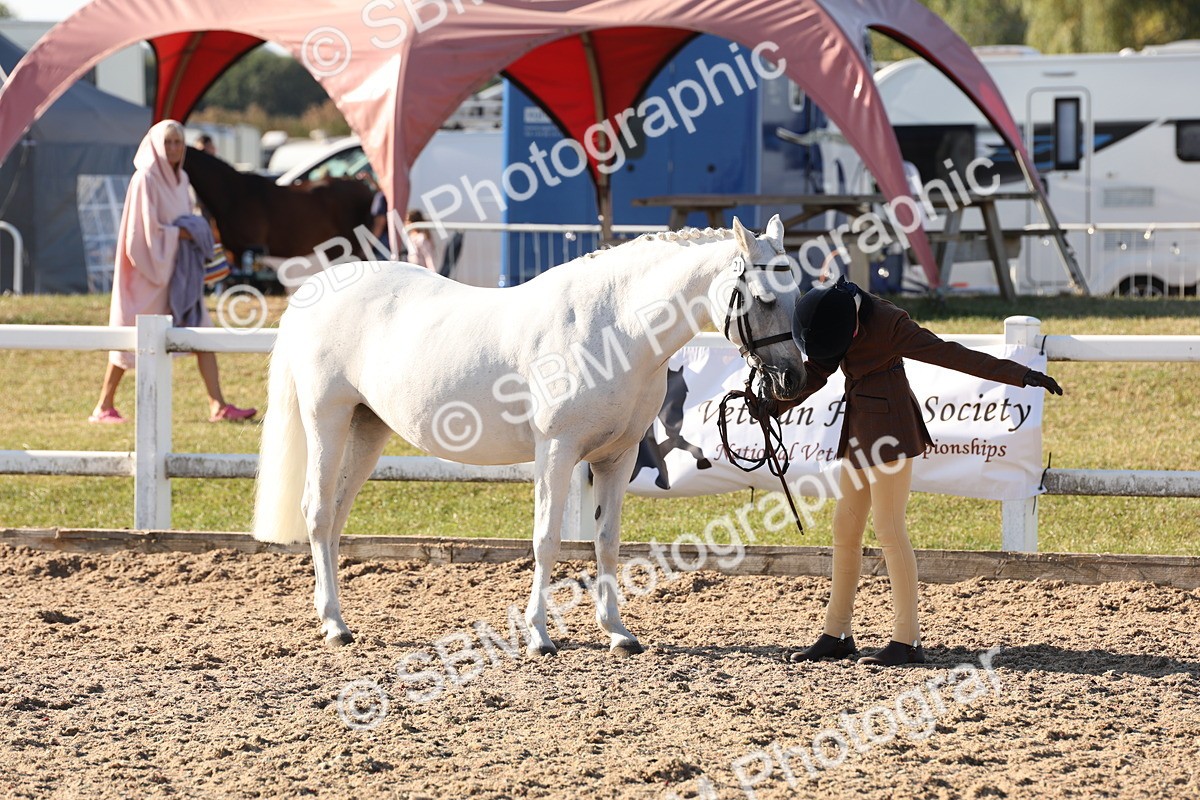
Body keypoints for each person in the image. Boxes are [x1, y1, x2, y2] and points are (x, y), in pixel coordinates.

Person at [764, 277, 1062, 666]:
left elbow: (951, 354)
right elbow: (819, 368)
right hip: (858, 429)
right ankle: (836, 634)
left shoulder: (890, 323)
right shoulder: (831, 316)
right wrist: (774, 405)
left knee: (889, 528)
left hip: (890, 431)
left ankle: (906, 641)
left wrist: (1020, 375)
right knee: (845, 528)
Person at [90, 120, 256, 424]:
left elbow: (179, 218)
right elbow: (139, 235)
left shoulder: (181, 180)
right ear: (155, 144)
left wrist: (190, 230)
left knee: (201, 332)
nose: (174, 148)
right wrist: (185, 231)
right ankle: (104, 405)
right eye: (168, 142)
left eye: (179, 142)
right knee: (131, 339)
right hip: (147, 274)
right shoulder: (145, 179)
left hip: (178, 272)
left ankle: (217, 404)